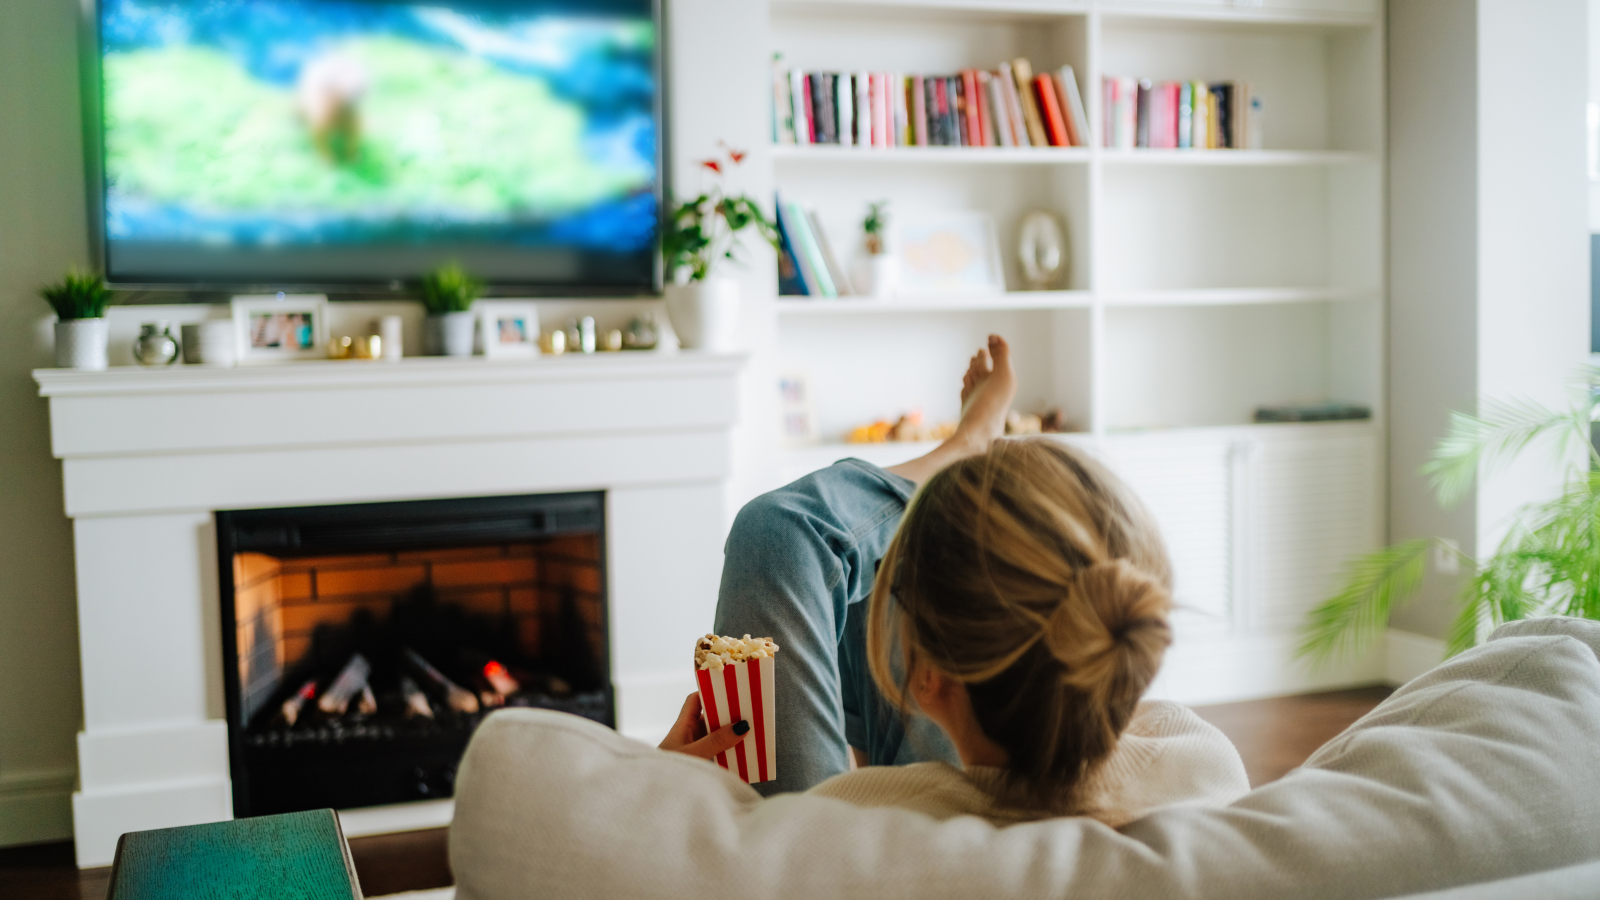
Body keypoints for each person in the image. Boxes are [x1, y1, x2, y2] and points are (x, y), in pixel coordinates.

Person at [658, 336, 1248, 825]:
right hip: (1048, 753)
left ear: (929, 678)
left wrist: (666, 785)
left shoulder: (847, 821)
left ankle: (960, 452)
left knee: (782, 533)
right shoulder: (1208, 765)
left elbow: (754, 847)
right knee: (913, 579)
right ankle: (963, 465)